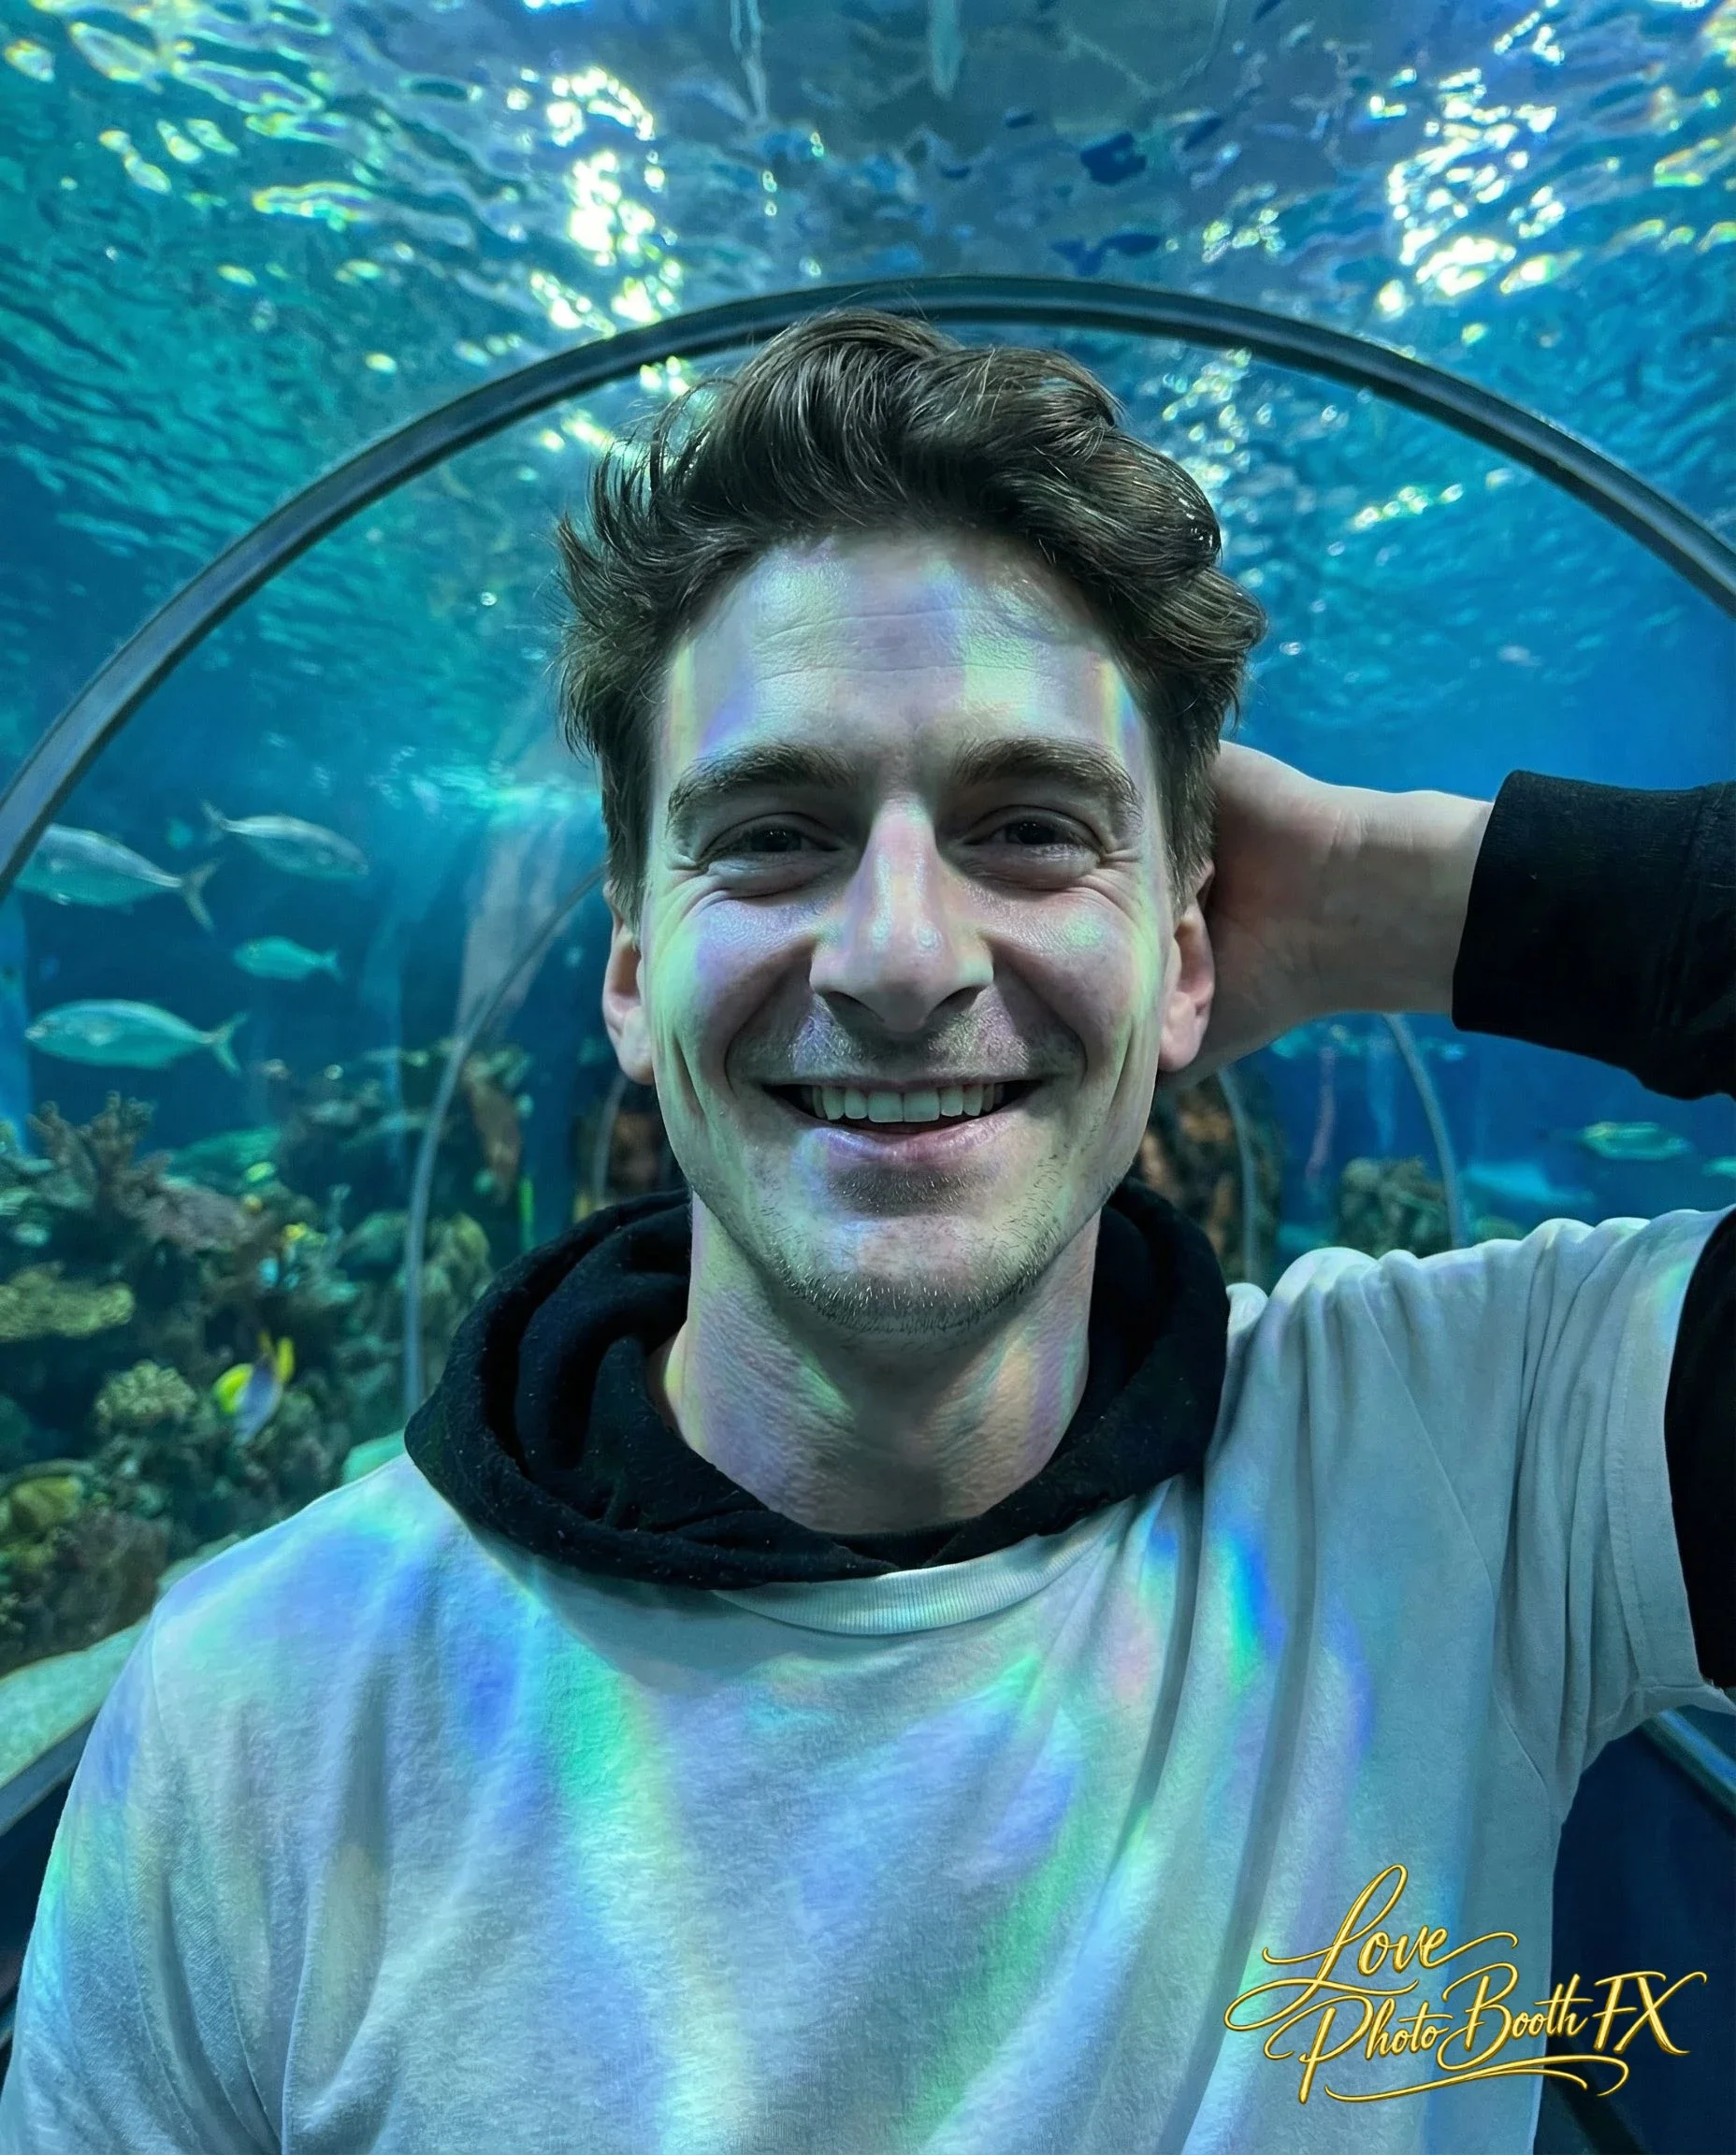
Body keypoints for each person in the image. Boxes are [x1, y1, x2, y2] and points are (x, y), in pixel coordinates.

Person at [1, 311, 1729, 2154]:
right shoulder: (262, 1702)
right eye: (773, 832)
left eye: (1028, 828)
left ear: (1189, 955)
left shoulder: (1488, 1458)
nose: (899, 957)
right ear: (630, 963)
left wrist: (1426, 904)